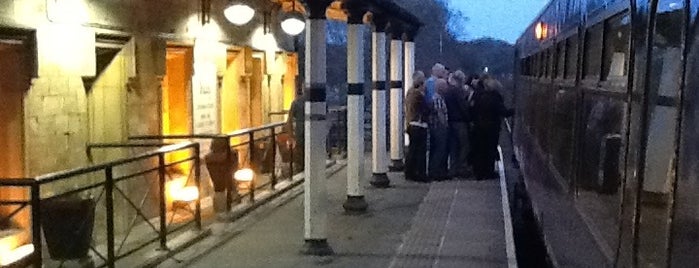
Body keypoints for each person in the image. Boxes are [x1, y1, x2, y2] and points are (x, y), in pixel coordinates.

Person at [469, 77, 514, 180]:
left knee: (480, 150)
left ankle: (479, 173)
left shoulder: (478, 95)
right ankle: (488, 172)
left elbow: (471, 109)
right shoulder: (495, 97)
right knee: (490, 150)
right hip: (491, 129)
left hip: (478, 128)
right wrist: (514, 111)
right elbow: (503, 112)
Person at [444, 70, 472, 179]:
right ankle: (462, 167)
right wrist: (469, 119)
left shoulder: (448, 90)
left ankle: (453, 169)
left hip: (451, 121)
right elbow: (463, 107)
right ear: (460, 80)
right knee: (465, 145)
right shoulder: (457, 91)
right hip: (460, 122)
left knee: (453, 147)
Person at [404, 71, 429, 182]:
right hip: (419, 124)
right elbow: (425, 109)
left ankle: (409, 172)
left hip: (411, 124)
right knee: (420, 151)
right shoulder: (419, 94)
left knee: (412, 150)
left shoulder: (409, 92)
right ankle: (420, 173)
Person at [428, 79, 450, 181]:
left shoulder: (438, 97)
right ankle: (436, 172)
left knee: (438, 149)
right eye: (445, 86)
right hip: (439, 128)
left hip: (437, 127)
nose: (446, 88)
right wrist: (445, 125)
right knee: (439, 150)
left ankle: (436, 171)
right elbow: (440, 113)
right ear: (440, 87)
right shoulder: (438, 98)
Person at [285, 88, 306, 172]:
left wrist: (291, 136)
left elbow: (289, 120)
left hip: (300, 134)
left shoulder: (297, 102)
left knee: (300, 160)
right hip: (313, 136)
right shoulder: (319, 102)